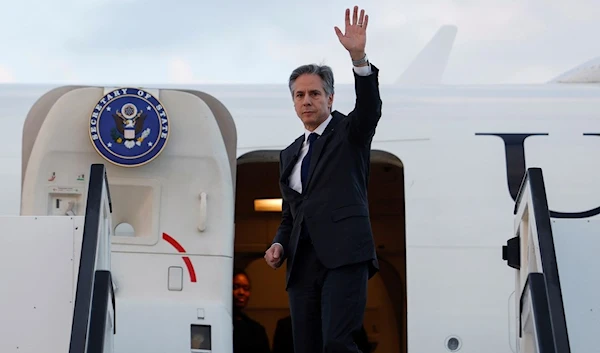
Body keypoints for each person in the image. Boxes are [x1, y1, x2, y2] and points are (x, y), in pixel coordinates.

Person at [263, 6, 381, 353]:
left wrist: (358, 58)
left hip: (345, 255)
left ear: (330, 98)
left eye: (314, 94)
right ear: (293, 103)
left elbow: (370, 108)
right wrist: (279, 244)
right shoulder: (289, 154)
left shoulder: (349, 132)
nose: (307, 101)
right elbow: (291, 214)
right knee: (307, 347)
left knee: (337, 343)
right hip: (302, 263)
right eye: (300, 95)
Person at [231, 268, 271, 353]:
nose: (241, 292)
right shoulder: (220, 324)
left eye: (246, 288)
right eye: (235, 287)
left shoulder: (257, 330)